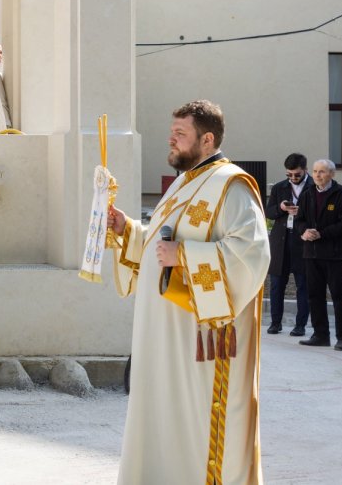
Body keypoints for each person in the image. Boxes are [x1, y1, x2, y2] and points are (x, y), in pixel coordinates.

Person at [107, 100, 269, 484]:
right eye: (172, 132)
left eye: (180, 133)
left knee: (195, 421)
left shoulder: (231, 185)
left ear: (207, 139)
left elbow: (251, 255)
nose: (171, 139)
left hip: (201, 336)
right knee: (160, 414)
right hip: (163, 333)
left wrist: (184, 255)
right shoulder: (184, 182)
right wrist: (128, 230)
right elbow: (160, 244)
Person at [296, 159, 342, 351]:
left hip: (335, 255)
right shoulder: (307, 193)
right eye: (315, 171)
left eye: (322, 171)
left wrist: (322, 233)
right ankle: (320, 335)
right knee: (315, 295)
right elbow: (299, 220)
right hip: (312, 254)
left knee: (339, 296)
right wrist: (304, 231)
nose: (317, 175)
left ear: (332, 174)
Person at [265, 153, 311, 336]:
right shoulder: (279, 187)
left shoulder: (313, 187)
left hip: (302, 241)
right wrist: (281, 208)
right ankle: (275, 323)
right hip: (280, 242)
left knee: (303, 286)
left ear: (305, 170)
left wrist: (301, 212)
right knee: (276, 285)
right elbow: (269, 212)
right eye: (289, 174)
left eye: (297, 175)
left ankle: (300, 325)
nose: (293, 178)